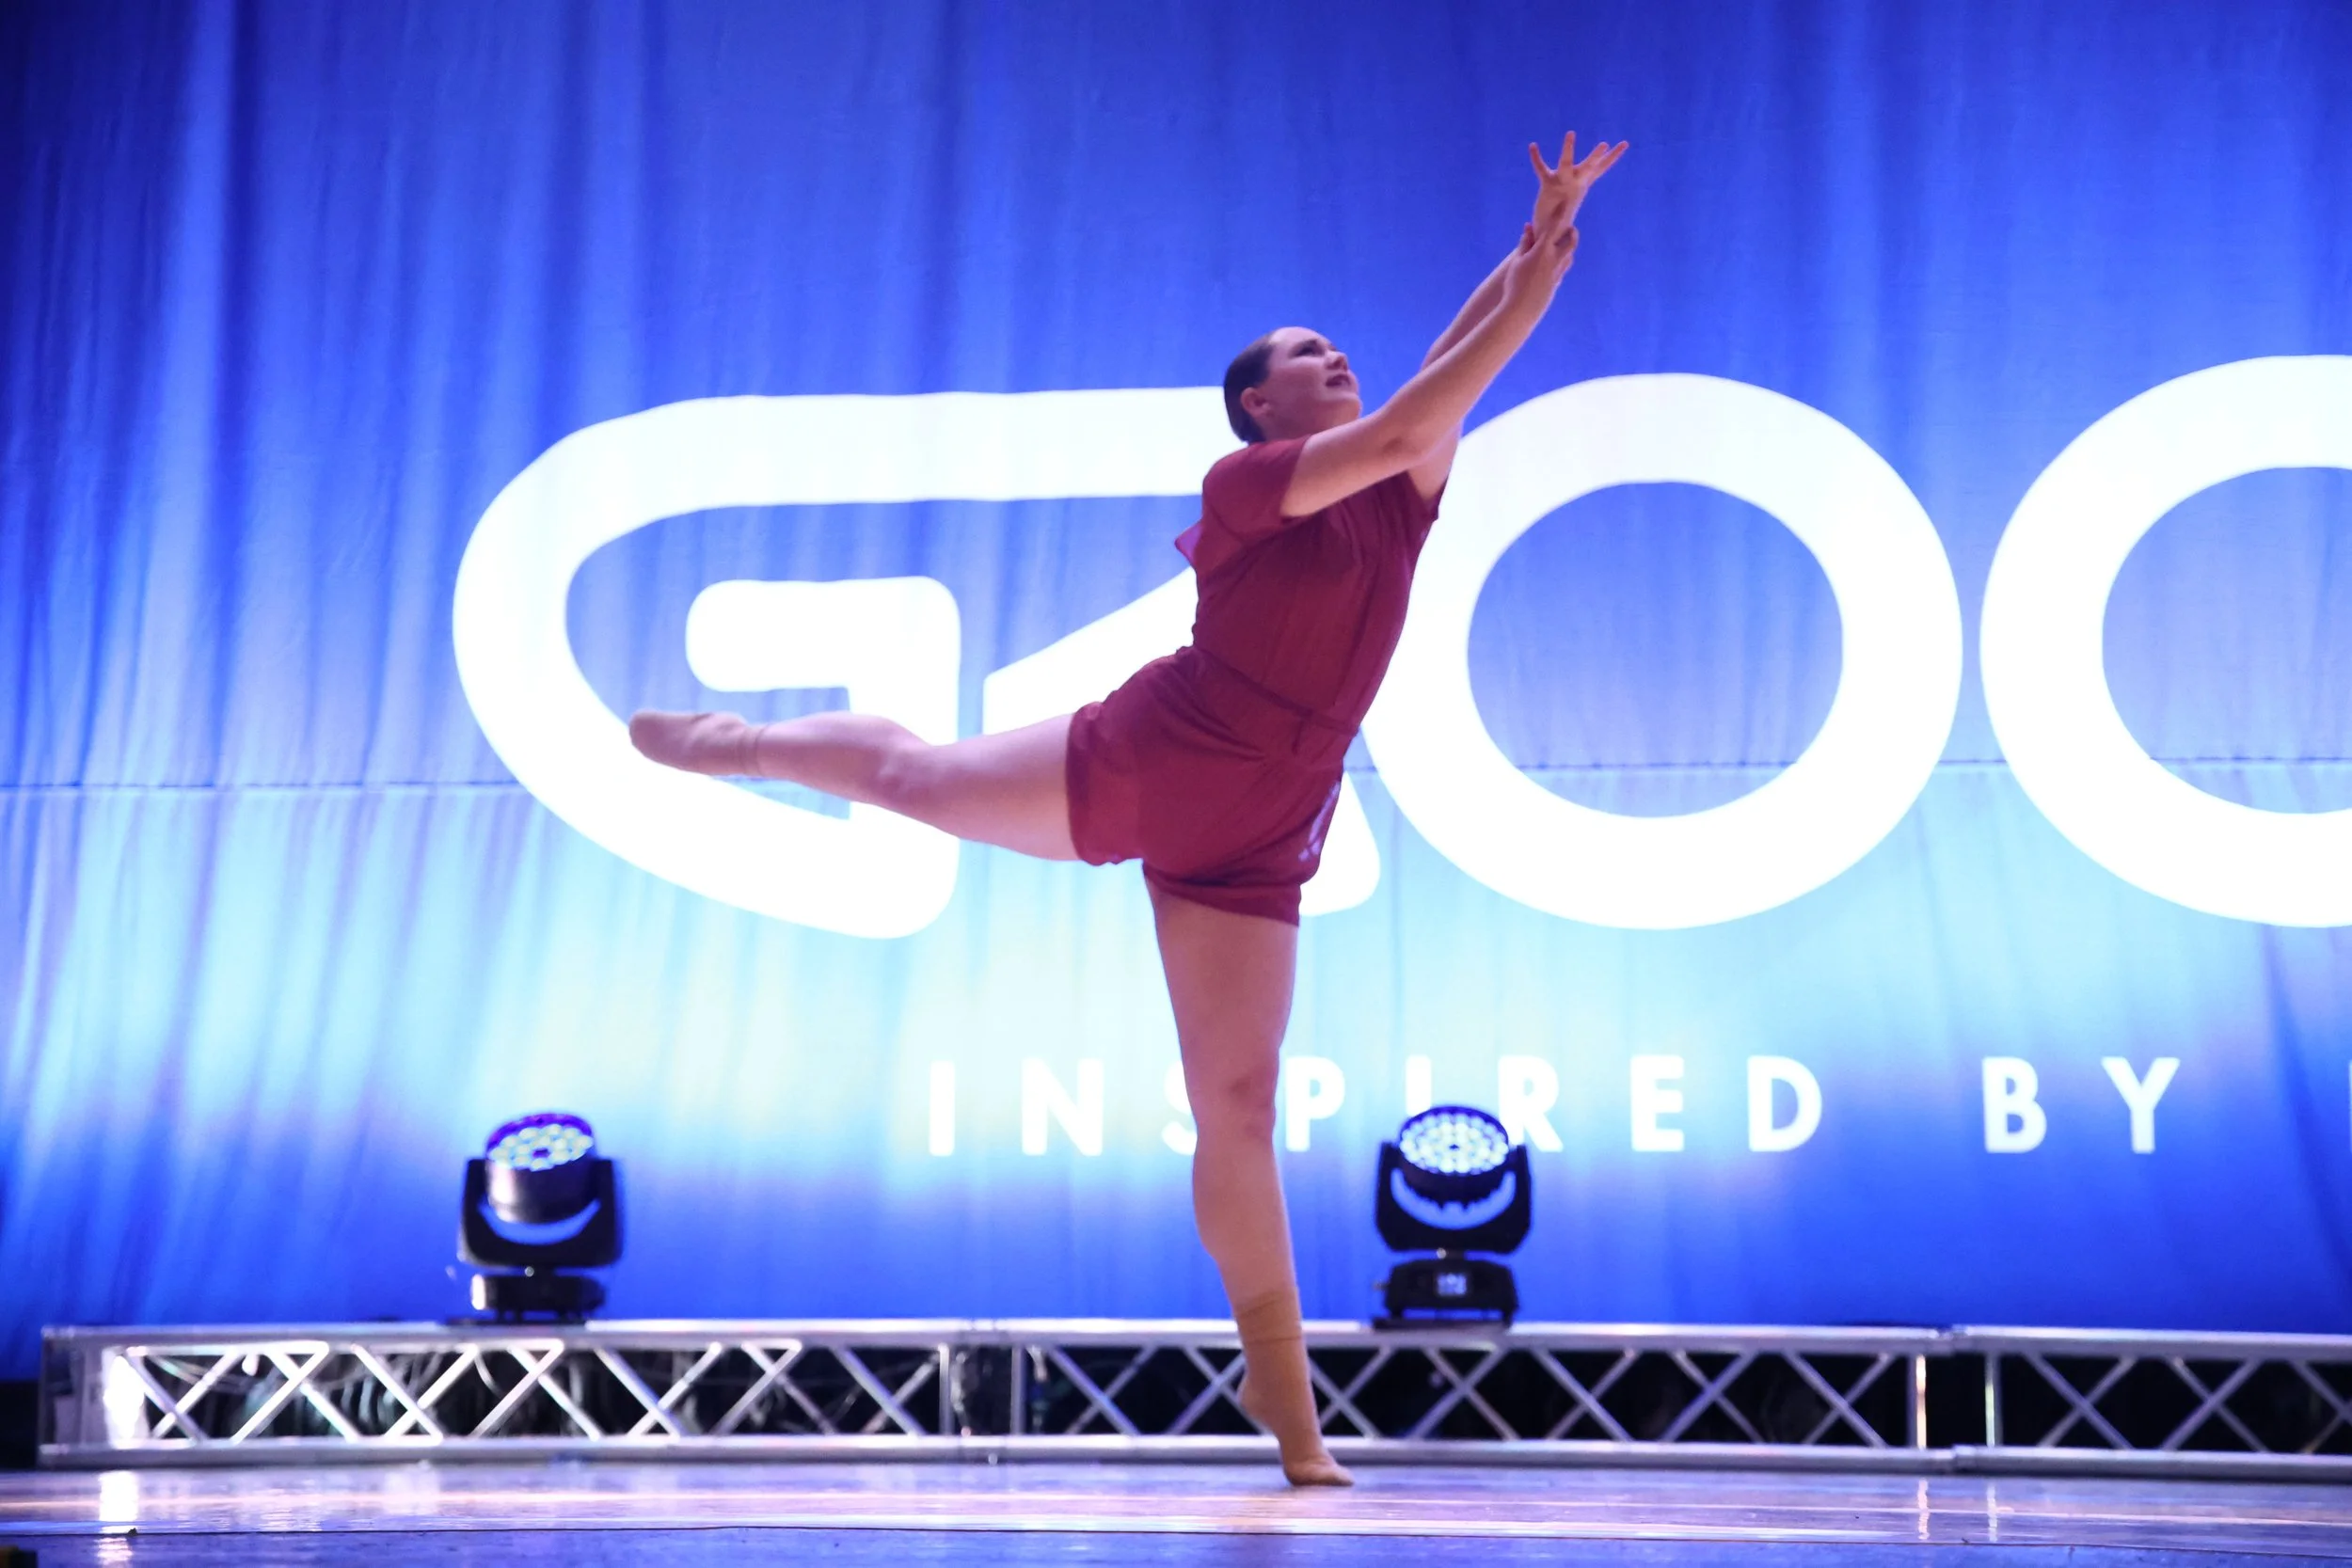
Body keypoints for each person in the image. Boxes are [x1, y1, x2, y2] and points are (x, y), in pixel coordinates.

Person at [630, 134, 1627, 1485]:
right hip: (1171, 748)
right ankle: (748, 740)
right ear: (1258, 410)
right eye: (1306, 353)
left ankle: (1292, 1418)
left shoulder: (1400, 499)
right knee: (919, 779)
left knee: (1237, 1100)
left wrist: (1539, 240)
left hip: (1272, 819)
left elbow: (1436, 388)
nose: (1337, 359)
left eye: (1340, 347)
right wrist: (1533, 274)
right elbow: (1416, 408)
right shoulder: (1250, 487)